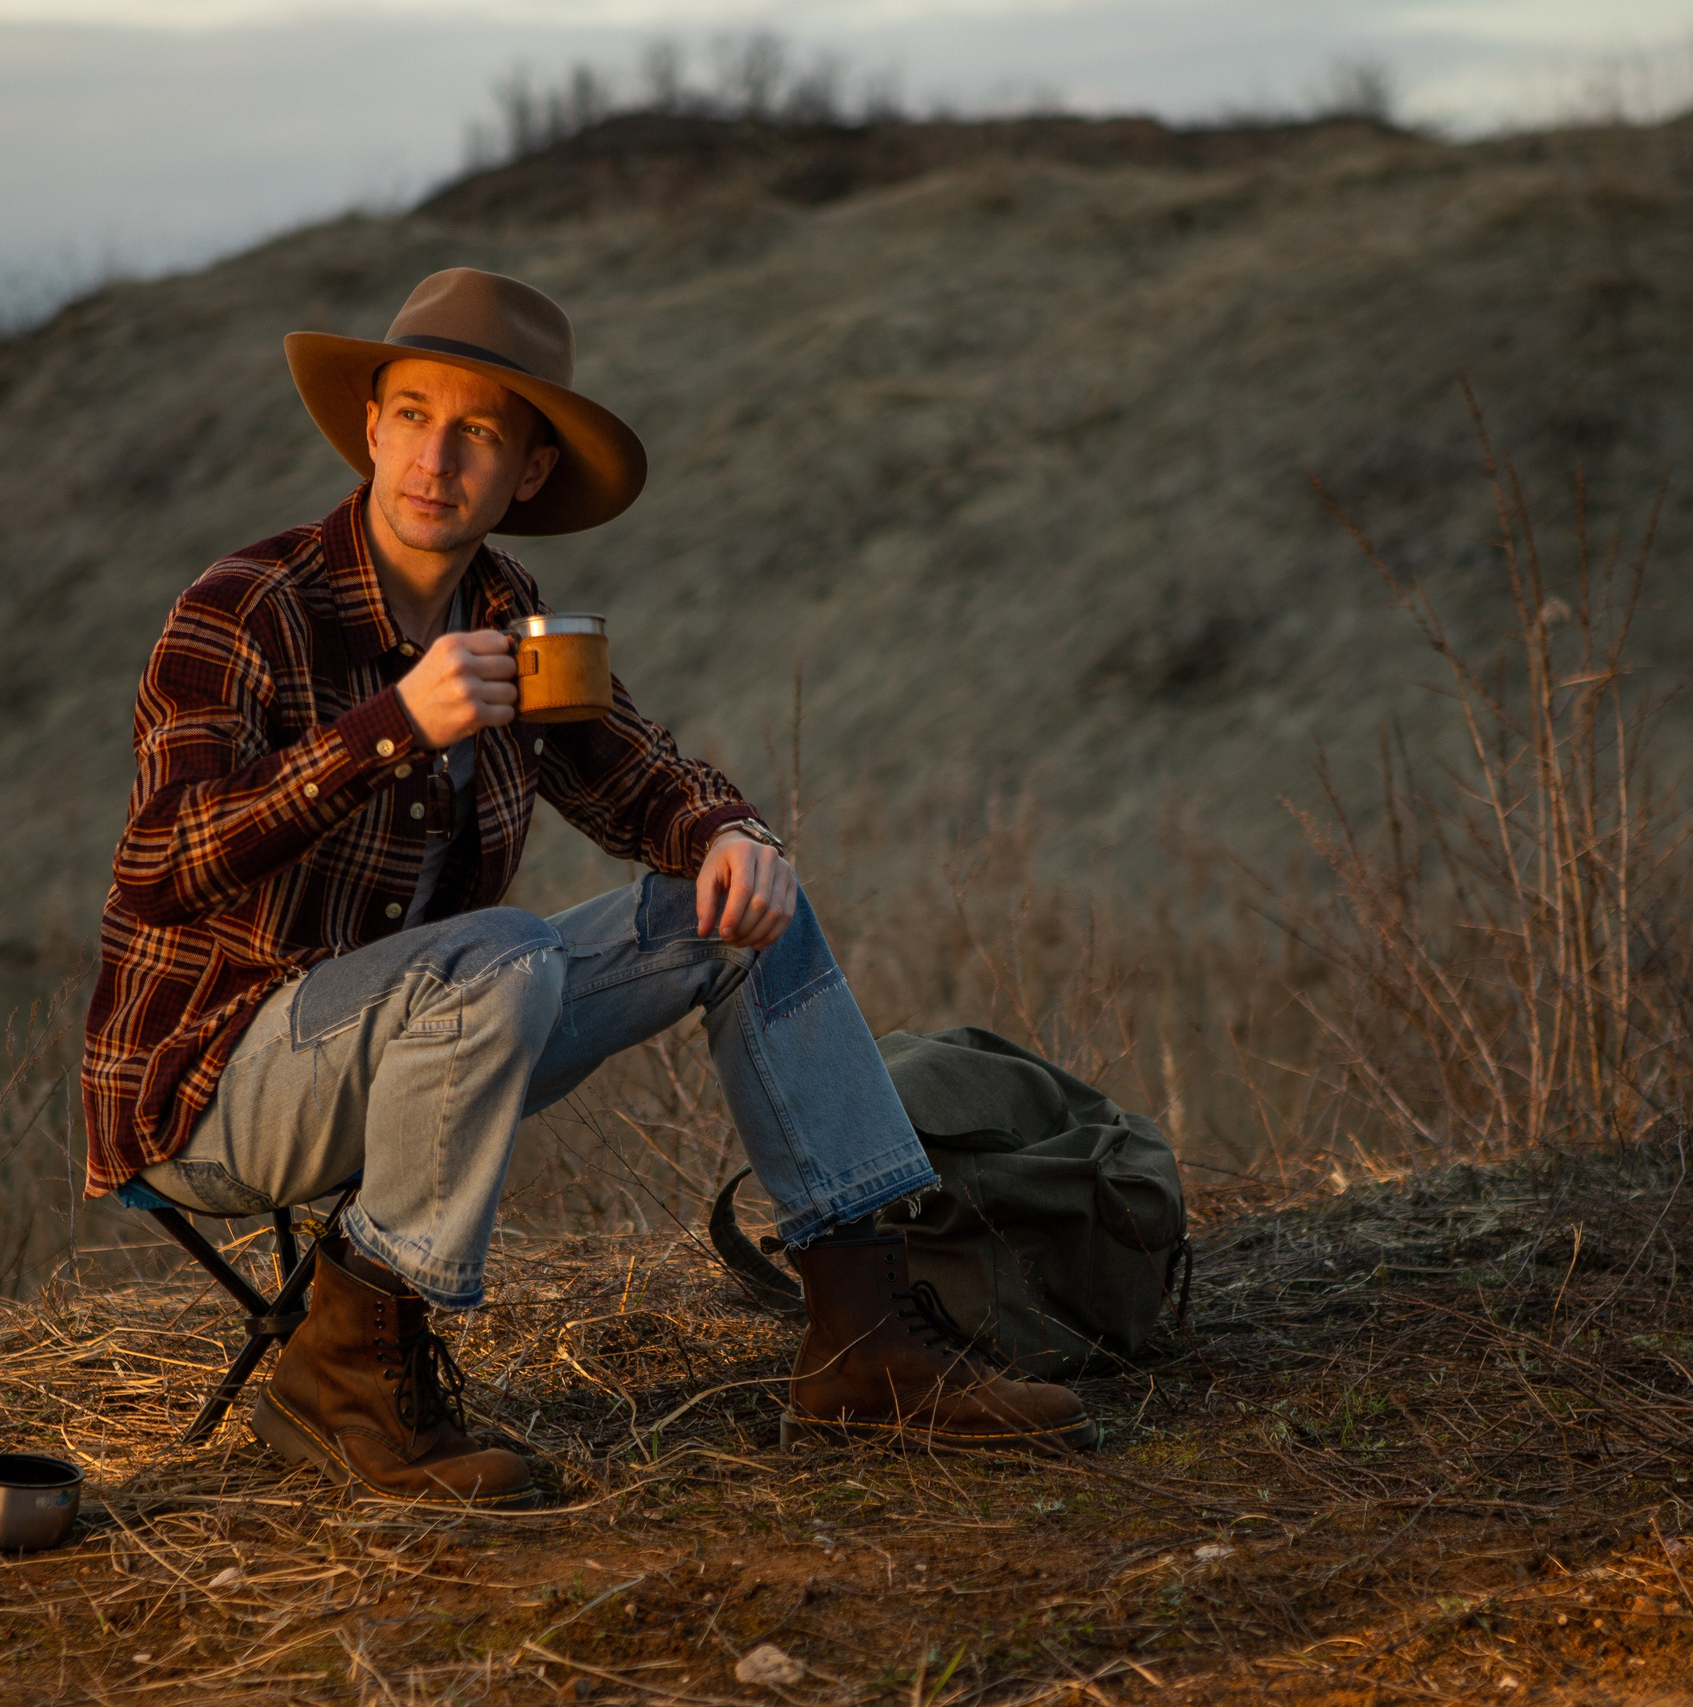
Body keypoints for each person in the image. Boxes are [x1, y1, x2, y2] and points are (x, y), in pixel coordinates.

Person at [81, 268, 1094, 1508]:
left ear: (530, 475)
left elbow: (645, 779)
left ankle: (861, 1334)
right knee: (500, 954)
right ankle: (343, 1372)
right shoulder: (245, 611)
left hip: (438, 1032)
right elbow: (160, 864)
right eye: (409, 414)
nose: (433, 457)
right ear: (370, 426)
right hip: (220, 1087)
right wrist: (389, 728)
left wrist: (732, 834)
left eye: (479, 432)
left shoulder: (514, 621)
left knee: (737, 907)